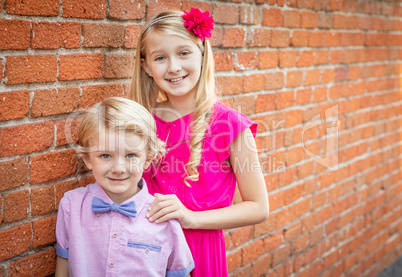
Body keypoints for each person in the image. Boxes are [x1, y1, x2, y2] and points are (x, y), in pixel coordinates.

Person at [130, 8, 269, 277]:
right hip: (143, 248)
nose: (173, 67)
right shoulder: (140, 121)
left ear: (202, 54)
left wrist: (191, 218)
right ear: (146, 65)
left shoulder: (230, 125)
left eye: (184, 53)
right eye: (160, 57)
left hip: (199, 249)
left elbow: (258, 207)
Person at [55, 97, 194, 277]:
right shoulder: (71, 206)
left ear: (148, 159)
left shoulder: (164, 218)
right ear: (88, 159)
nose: (118, 169)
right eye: (105, 155)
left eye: (130, 155)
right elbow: (62, 271)